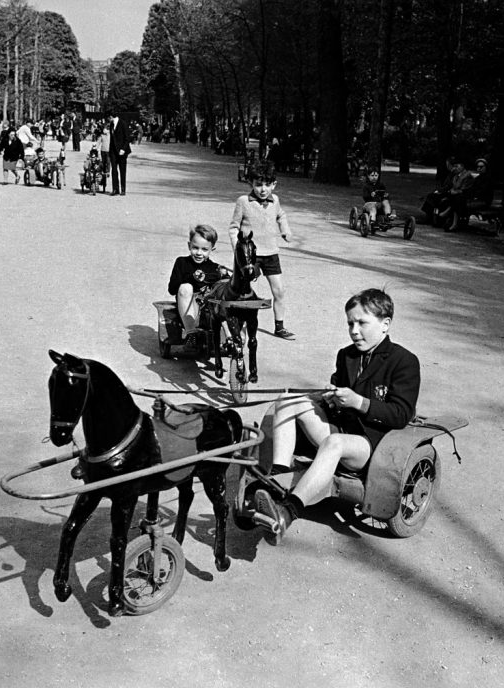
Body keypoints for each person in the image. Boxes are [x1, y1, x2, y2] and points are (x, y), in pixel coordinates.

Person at [253, 288, 421, 542]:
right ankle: (277, 479)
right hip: (341, 428)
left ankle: (288, 512)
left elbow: (401, 414)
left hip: (371, 445)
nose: (354, 330)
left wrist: (359, 402)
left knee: (334, 443)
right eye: (350, 323)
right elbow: (337, 390)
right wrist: (331, 398)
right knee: (287, 400)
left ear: (385, 324)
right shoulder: (347, 355)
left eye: (362, 323)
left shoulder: (404, 361)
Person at [229, 162, 295, 340]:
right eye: (258, 184)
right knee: (244, 292)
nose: (263, 189)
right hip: (252, 256)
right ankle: (239, 328)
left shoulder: (275, 200)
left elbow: (281, 215)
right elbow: (234, 227)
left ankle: (279, 326)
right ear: (250, 183)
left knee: (279, 291)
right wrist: (238, 249)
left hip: (271, 253)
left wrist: (285, 230)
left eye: (267, 184)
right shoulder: (243, 201)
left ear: (274, 184)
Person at [167, 224, 231, 338]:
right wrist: (189, 279)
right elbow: (172, 289)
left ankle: (230, 338)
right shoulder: (182, 263)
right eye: (195, 248)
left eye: (205, 249)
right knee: (186, 287)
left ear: (212, 249)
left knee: (222, 294)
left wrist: (226, 277)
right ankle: (191, 335)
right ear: (189, 245)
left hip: (208, 311)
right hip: (188, 308)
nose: (199, 253)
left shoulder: (215, 269)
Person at [109, 112, 132, 196]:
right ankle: (115, 189)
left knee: (122, 170)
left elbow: (127, 138)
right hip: (113, 151)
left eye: (109, 117)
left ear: (111, 116)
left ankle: (123, 189)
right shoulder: (111, 124)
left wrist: (123, 149)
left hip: (122, 150)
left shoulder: (123, 123)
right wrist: (110, 151)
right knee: (114, 170)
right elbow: (112, 139)